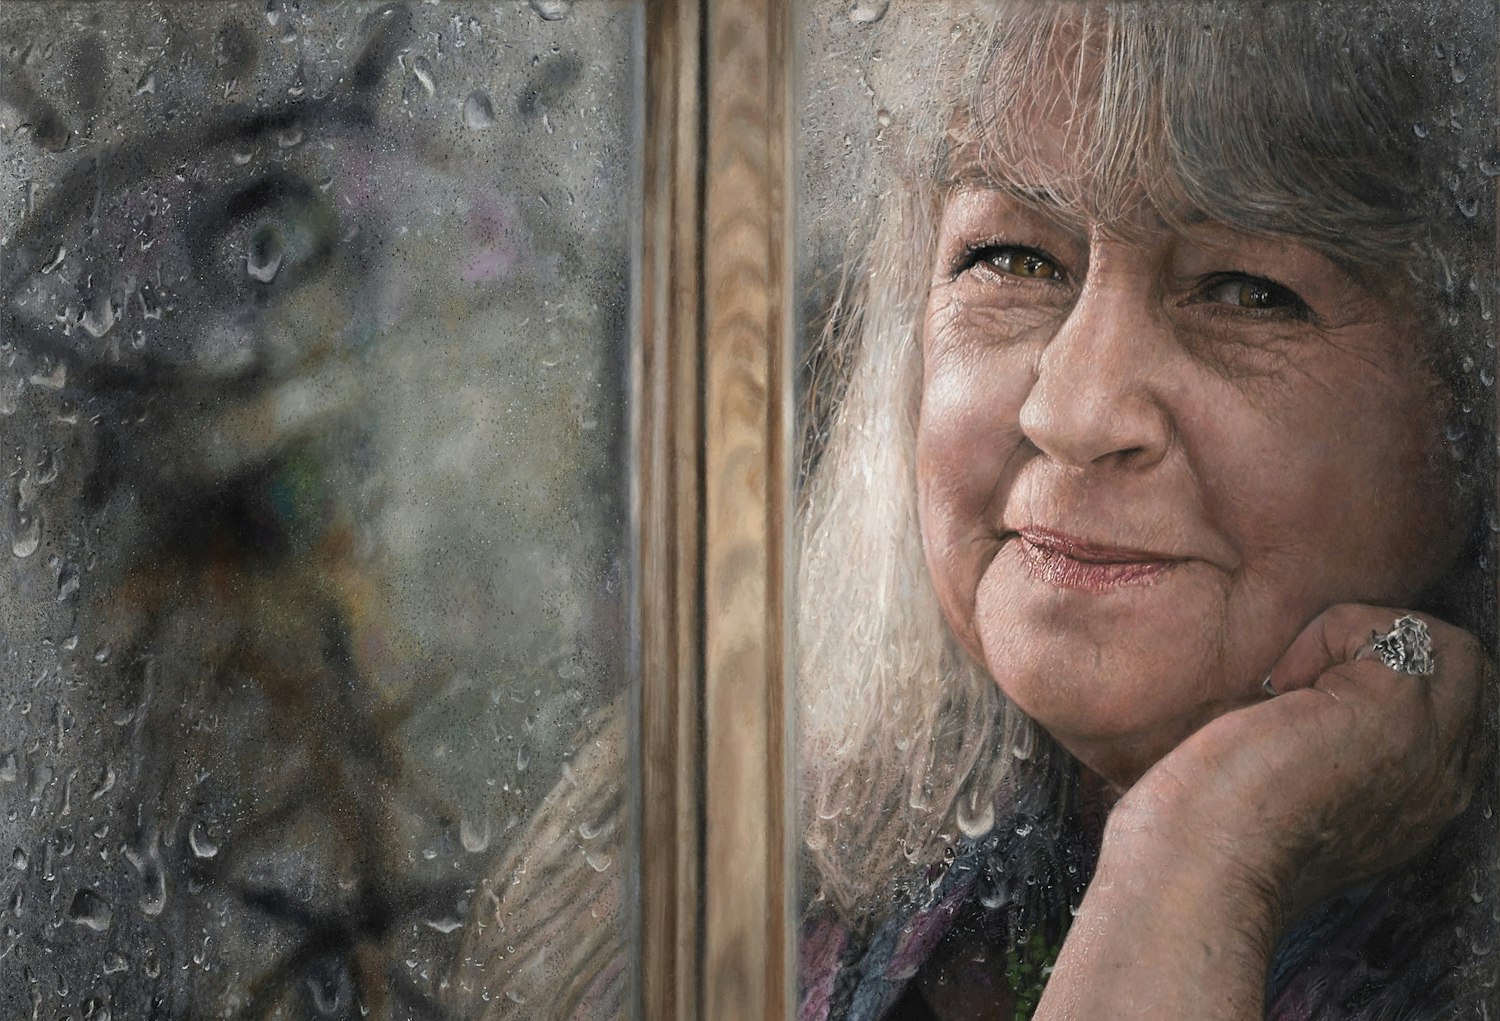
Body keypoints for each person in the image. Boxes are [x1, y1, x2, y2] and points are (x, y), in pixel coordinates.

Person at [796, 2, 1498, 1019]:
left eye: (1246, 292)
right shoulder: (698, 854)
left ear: (1465, 411)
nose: (1074, 413)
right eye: (1016, 261)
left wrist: (1202, 855)